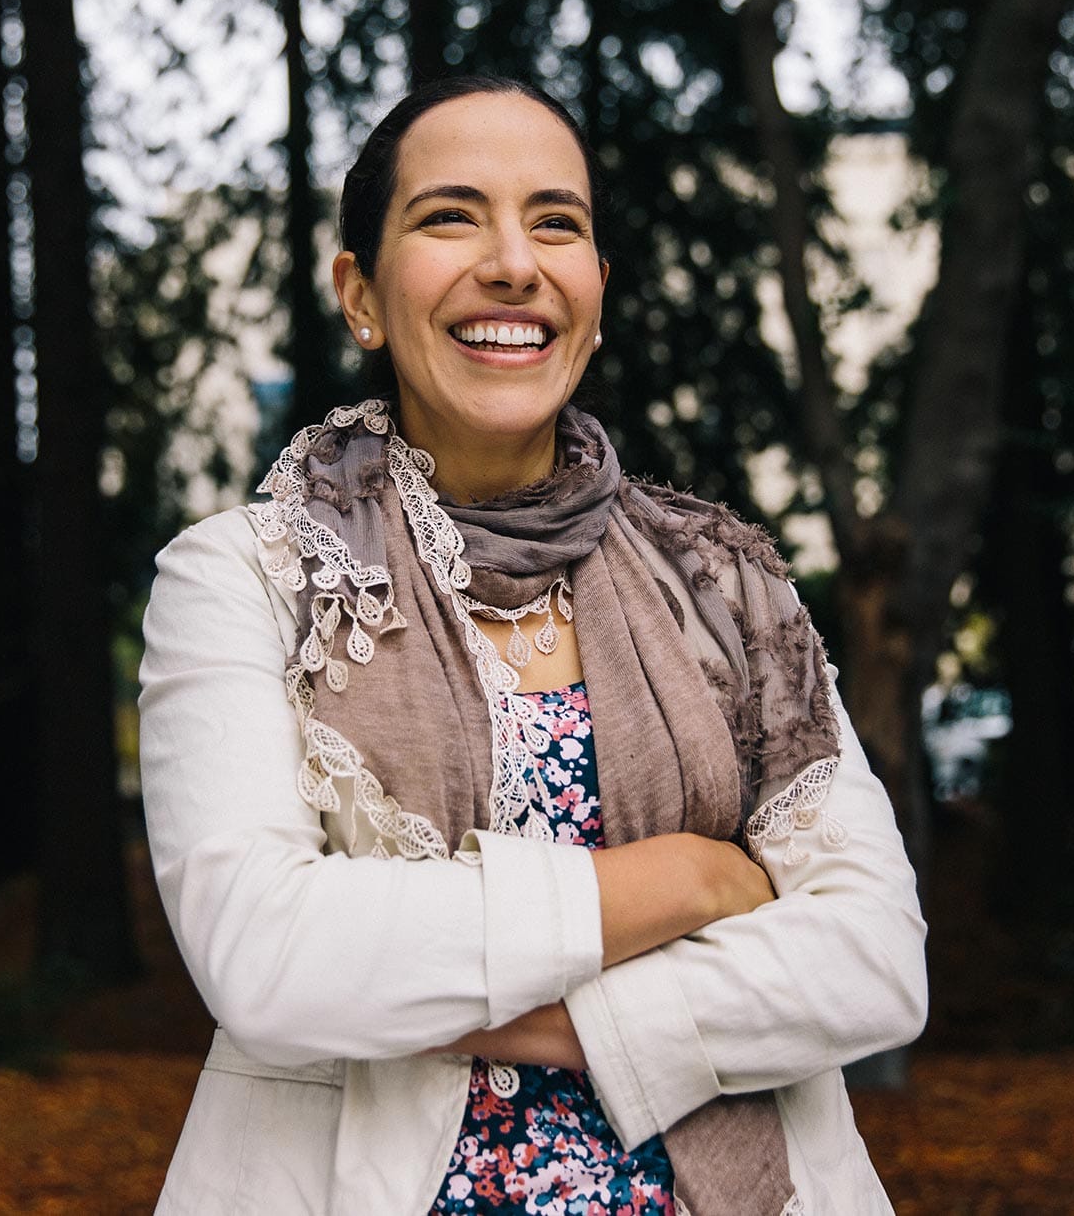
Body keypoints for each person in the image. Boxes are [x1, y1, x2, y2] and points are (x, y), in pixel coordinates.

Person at [137, 75, 928, 1215]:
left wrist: (559, 1021)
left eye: (554, 222)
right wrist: (679, 880)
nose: (512, 262)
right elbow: (267, 959)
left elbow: (870, 963)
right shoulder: (245, 579)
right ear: (359, 294)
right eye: (450, 215)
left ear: (594, 294)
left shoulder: (724, 587)